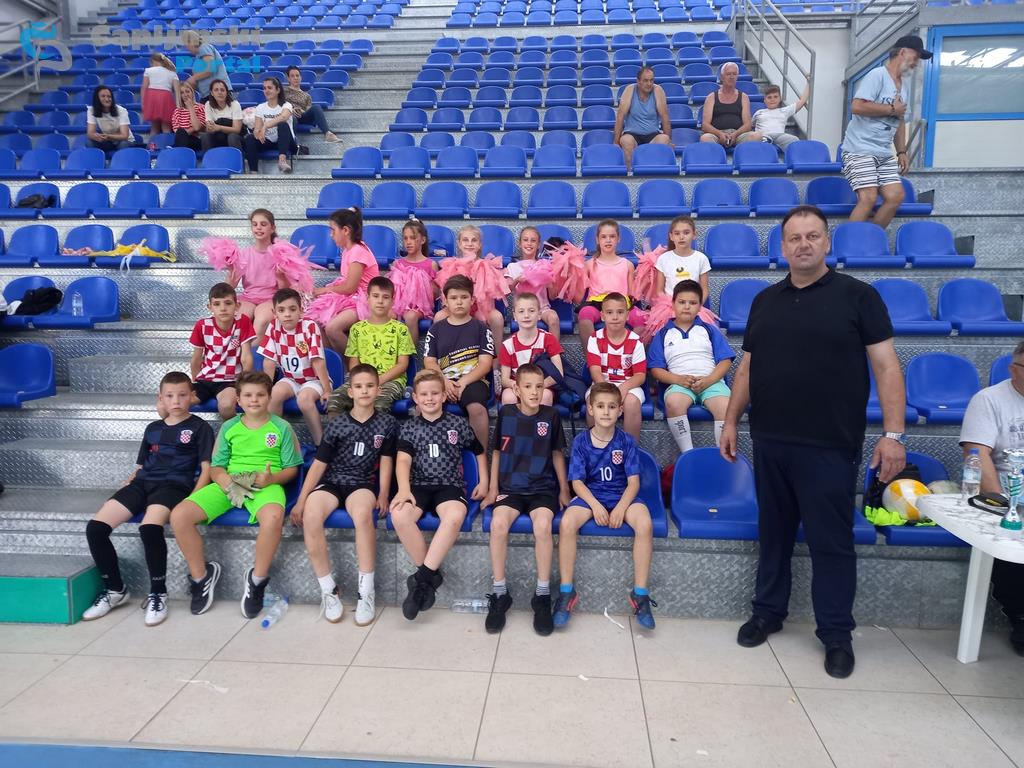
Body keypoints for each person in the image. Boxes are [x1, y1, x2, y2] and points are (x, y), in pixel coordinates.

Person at [720, 205, 906, 679]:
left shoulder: (858, 297)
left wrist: (893, 434)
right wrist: (730, 420)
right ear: (782, 246)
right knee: (774, 534)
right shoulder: (765, 301)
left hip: (830, 444)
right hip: (770, 439)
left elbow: (886, 367)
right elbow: (748, 367)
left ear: (827, 241)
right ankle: (768, 612)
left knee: (831, 543)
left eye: (812, 236)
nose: (803, 244)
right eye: (794, 238)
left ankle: (837, 634)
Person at [82, 371, 214, 626]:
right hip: (143, 483)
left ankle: (158, 593)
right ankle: (115, 589)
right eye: (170, 396)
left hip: (174, 485)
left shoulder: (200, 427)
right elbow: (142, 464)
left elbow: (206, 467)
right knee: (95, 528)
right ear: (160, 398)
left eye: (182, 395)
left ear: (192, 396)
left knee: (149, 528)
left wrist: (194, 497)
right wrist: (130, 482)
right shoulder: (152, 428)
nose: (176, 401)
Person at [170, 370, 303, 618]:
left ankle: (257, 580)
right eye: (248, 395)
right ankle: (201, 577)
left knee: (273, 518)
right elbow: (217, 466)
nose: (254, 400)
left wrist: (271, 479)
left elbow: (291, 469)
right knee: (179, 516)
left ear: (269, 397)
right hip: (230, 481)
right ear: (238, 400)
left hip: (266, 483)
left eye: (260, 395)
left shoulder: (282, 427)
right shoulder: (229, 427)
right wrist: (227, 483)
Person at [291, 364, 397, 627]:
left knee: (363, 515)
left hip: (362, 483)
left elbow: (387, 461)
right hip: (333, 482)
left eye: (369, 386)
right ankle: (328, 590)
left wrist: (384, 493)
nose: (364, 391)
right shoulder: (337, 423)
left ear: (378, 390)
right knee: (311, 515)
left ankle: (366, 592)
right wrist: (302, 499)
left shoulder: (387, 423)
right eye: (359, 386)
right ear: (350, 392)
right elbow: (319, 464)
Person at [556, 382, 656, 630]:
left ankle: (640, 594)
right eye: (600, 406)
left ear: (620, 410)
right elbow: (577, 483)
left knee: (645, 523)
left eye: (612, 407)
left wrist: (621, 507)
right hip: (592, 495)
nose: (606, 412)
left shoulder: (627, 441)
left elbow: (634, 483)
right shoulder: (581, 441)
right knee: (567, 523)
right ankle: (566, 591)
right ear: (590, 409)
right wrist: (596, 506)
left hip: (622, 495)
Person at [390, 369, 488, 621]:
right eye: (424, 394)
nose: (430, 398)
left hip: (449, 485)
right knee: (399, 515)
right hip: (418, 485)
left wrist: (485, 480)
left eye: (435, 393)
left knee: (454, 515)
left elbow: (478, 451)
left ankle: (422, 580)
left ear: (444, 396)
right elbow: (402, 461)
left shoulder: (457, 424)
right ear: (415, 398)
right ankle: (430, 576)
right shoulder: (409, 427)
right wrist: (403, 489)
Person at [483, 364, 571, 636]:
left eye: (539, 387)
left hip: (542, 488)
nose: (534, 392)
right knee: (498, 525)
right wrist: (493, 488)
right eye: (528, 387)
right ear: (517, 389)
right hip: (511, 487)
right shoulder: (506, 413)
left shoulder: (551, 415)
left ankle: (542, 595)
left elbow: (557, 453)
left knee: (543, 526)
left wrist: (564, 489)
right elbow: (497, 451)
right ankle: (500, 593)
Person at [959, 341, 1024, 656]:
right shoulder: (989, 400)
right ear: (1013, 369)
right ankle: (1020, 615)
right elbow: (976, 454)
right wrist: (1003, 505)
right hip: (1009, 496)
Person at [842, 35, 931, 229]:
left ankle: (870, 239)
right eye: (916, 57)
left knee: (895, 196)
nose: (917, 63)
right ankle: (848, 241)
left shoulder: (903, 87)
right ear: (903, 52)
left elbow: (899, 121)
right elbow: (856, 106)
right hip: (859, 149)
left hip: (883, 152)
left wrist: (902, 151)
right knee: (868, 198)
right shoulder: (877, 75)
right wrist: (891, 109)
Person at [648, 280, 734, 453]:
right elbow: (656, 370)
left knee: (726, 407)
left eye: (693, 303)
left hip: (711, 382)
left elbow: (725, 361)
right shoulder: (663, 333)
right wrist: (678, 379)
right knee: (673, 403)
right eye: (682, 302)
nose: (687, 307)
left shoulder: (709, 330)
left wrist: (709, 380)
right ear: (673, 304)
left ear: (700, 306)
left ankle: (722, 455)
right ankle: (688, 453)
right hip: (680, 384)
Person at [202, 208, 312, 340]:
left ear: (272, 228)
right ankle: (233, 351)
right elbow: (230, 287)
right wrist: (231, 270)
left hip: (271, 297)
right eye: (255, 224)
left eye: (263, 224)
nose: (258, 228)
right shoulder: (244, 254)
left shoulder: (281, 253)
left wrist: (280, 276)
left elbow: (284, 290)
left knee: (261, 320)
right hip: (248, 297)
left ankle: (252, 352)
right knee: (238, 318)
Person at [423, 274, 496, 448]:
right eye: (454, 298)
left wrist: (462, 382)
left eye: (464, 297)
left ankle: (480, 456)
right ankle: (429, 453)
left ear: (472, 300)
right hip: (443, 380)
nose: (459, 302)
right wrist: (445, 381)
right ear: (445, 301)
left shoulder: (482, 329)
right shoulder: (435, 330)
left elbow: (485, 364)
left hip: (473, 381)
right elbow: (430, 362)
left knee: (477, 409)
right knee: (423, 406)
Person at [328, 276, 416, 415]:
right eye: (375, 296)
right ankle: (340, 429)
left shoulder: (401, 329)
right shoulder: (357, 329)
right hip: (362, 380)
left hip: (390, 381)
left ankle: (375, 430)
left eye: (385, 297)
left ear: (392, 301)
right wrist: (364, 381)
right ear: (368, 298)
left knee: (379, 404)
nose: (380, 301)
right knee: (334, 401)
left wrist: (378, 380)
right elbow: (354, 363)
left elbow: (402, 364)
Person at [260, 288, 332, 446]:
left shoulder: (309, 326)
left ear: (301, 310)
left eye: (292, 309)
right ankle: (275, 443)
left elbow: (317, 361)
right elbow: (269, 361)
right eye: (281, 310)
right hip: (291, 379)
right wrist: (267, 388)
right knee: (273, 395)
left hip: (314, 380)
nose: (287, 314)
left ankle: (321, 444)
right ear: (274, 313)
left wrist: (327, 390)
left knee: (304, 399)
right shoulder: (273, 327)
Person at [305, 207, 380, 352]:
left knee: (333, 328)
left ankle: (353, 363)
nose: (331, 235)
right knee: (316, 322)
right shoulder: (347, 251)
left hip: (364, 301)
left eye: (333, 230)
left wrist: (323, 290)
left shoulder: (358, 251)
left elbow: (350, 287)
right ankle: (333, 361)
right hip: (351, 299)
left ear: (346, 230)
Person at [434, 225, 508, 364]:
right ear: (459, 244)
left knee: (497, 317)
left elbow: (493, 292)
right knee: (439, 317)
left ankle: (496, 363)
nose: (469, 243)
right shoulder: (451, 266)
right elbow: (446, 294)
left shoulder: (486, 266)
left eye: (474, 240)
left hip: (483, 308)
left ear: (479, 244)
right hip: (457, 307)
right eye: (465, 240)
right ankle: (442, 360)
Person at [186, 282, 256, 421]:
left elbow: (246, 357)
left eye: (228, 303)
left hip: (230, 380)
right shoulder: (202, 325)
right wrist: (195, 382)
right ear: (210, 307)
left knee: (225, 406)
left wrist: (243, 383)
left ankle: (234, 434)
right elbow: (196, 359)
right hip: (205, 380)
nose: (223, 308)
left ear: (237, 306)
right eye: (217, 304)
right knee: (172, 404)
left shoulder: (242, 321)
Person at [586, 293, 647, 441]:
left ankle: (630, 447)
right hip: (602, 383)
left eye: (620, 312)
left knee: (632, 402)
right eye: (609, 312)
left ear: (627, 316)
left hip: (628, 385)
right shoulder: (594, 338)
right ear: (602, 316)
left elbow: (640, 375)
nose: (615, 317)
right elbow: (595, 370)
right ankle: (597, 445)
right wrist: (607, 391)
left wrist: (623, 388)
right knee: (593, 400)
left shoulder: (636, 341)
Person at [577, 220, 640, 352]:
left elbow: (633, 295)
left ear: (618, 239)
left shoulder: (627, 264)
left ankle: (630, 355)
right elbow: (578, 297)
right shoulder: (589, 264)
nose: (608, 240)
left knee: (641, 318)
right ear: (597, 239)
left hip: (621, 303)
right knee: (584, 314)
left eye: (612, 236)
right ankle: (591, 356)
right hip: (596, 303)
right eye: (604, 237)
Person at [499, 292, 564, 406]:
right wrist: (522, 388)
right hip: (518, 386)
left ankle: (541, 418)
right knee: (508, 396)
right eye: (521, 311)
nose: (526, 315)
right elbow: (504, 380)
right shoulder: (507, 345)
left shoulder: (548, 339)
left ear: (539, 314)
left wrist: (537, 386)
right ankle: (514, 418)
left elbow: (559, 373)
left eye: (531, 311)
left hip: (542, 385)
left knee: (545, 396)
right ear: (514, 316)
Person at [389, 219, 439, 346]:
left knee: (410, 316)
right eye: (405, 238)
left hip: (420, 308)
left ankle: (410, 354)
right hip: (398, 306)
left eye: (413, 238)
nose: (408, 242)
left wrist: (421, 283)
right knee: (385, 314)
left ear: (422, 240)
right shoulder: (398, 263)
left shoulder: (430, 264)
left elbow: (434, 295)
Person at [505, 226, 560, 341]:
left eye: (533, 240)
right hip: (522, 309)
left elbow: (553, 296)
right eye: (525, 240)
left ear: (538, 245)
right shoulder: (512, 266)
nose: (529, 243)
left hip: (542, 308)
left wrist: (549, 282)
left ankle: (554, 350)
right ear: (520, 243)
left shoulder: (545, 265)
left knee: (553, 317)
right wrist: (517, 280)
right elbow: (507, 291)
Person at [613, 66, 673, 171]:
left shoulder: (658, 90)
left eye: (651, 80)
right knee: (626, 141)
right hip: (632, 134)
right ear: (638, 81)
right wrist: (616, 142)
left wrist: (669, 140)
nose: (649, 84)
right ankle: (630, 173)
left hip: (653, 135)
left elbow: (665, 116)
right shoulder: (630, 90)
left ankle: (653, 173)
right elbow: (620, 116)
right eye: (645, 80)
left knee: (664, 139)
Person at [243, 77, 296, 174]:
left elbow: (283, 117)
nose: (266, 90)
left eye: (270, 88)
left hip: (286, 142)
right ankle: (253, 172)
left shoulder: (286, 105)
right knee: (250, 138)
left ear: (278, 90)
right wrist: (257, 133)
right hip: (268, 141)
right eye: (264, 88)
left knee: (282, 125)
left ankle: (282, 161)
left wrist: (266, 125)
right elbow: (257, 129)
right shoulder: (260, 107)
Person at [655, 215, 711, 303]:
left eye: (686, 233)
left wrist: (696, 306)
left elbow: (704, 290)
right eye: (677, 233)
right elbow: (659, 291)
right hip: (669, 306)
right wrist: (672, 306)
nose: (681, 237)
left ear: (694, 235)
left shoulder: (701, 259)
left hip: (693, 306)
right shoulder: (663, 259)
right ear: (671, 236)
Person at [748, 76, 811, 153]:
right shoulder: (759, 112)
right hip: (764, 135)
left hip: (780, 135)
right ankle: (766, 147)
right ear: (764, 100)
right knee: (758, 137)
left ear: (780, 98)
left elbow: (802, 101)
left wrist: (808, 83)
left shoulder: (784, 111)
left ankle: (792, 158)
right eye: (769, 97)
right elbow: (750, 125)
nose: (772, 99)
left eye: (775, 97)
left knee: (794, 140)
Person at [700, 62, 755, 148]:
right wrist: (720, 134)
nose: (731, 77)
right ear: (722, 77)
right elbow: (705, 125)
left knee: (756, 136)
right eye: (728, 74)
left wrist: (735, 134)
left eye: (734, 74)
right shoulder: (711, 97)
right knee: (705, 138)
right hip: (716, 134)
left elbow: (747, 124)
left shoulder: (744, 97)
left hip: (738, 134)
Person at [283, 65, 341, 145]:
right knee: (291, 117)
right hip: (288, 115)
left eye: (297, 75)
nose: (295, 78)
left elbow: (308, 109)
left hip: (302, 116)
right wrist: (290, 110)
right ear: (288, 78)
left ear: (301, 77)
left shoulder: (306, 95)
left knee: (316, 107)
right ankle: (292, 142)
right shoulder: (283, 90)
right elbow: (278, 104)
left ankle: (328, 134)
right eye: (292, 76)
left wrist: (302, 111)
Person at [181, 29, 233, 102]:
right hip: (208, 94)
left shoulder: (204, 47)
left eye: (186, 44)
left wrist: (193, 78)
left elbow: (211, 68)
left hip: (217, 92)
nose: (186, 48)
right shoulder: (198, 56)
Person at [140, 52, 178, 148]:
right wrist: (178, 106)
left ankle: (151, 148)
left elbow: (144, 87)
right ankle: (167, 147)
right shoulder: (172, 73)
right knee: (166, 126)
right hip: (166, 97)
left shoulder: (148, 70)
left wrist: (143, 103)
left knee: (154, 127)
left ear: (152, 61)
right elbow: (177, 91)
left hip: (152, 97)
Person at [86, 86, 135, 153]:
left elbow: (124, 135)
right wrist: (96, 136)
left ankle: (120, 160)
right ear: (97, 98)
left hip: (124, 140)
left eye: (109, 96)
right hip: (108, 140)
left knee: (123, 144)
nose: (107, 99)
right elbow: (90, 133)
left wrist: (108, 136)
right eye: (103, 96)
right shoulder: (91, 110)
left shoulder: (121, 110)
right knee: (89, 143)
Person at [201, 78, 243, 153]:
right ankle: (209, 160)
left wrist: (219, 127)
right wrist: (210, 127)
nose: (219, 92)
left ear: (227, 92)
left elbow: (237, 129)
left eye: (222, 90)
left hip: (235, 136)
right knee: (205, 136)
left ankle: (237, 159)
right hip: (218, 136)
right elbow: (209, 128)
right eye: (216, 90)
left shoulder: (235, 104)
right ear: (212, 93)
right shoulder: (208, 104)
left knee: (232, 137)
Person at [170, 81, 206, 152]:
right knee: (181, 133)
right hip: (182, 139)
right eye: (182, 93)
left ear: (192, 93)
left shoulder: (201, 108)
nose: (185, 94)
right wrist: (186, 132)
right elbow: (177, 131)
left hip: (196, 140)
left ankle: (177, 152)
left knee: (181, 135)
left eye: (187, 91)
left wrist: (191, 108)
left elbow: (197, 127)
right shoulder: (177, 111)